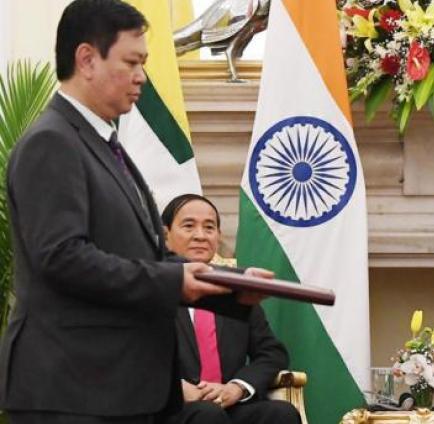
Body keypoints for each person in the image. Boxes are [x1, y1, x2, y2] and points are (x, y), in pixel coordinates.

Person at [0, 1, 268, 422]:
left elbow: (146, 257)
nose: (142, 76)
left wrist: (232, 289)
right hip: (71, 390)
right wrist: (173, 278)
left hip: (117, 391)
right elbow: (62, 257)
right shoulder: (51, 143)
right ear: (87, 59)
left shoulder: (107, 145)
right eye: (132, 62)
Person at [159, 194, 300, 424]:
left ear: (218, 236)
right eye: (189, 226)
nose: (200, 236)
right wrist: (176, 387)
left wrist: (237, 388)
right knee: (207, 415)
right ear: (165, 236)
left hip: (228, 405)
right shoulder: (155, 287)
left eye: (209, 227)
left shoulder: (235, 291)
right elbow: (132, 353)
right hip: (173, 409)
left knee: (281, 414)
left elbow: (272, 353)